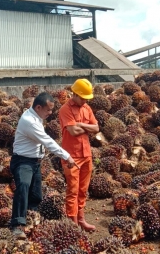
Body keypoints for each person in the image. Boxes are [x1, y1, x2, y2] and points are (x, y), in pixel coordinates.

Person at [10, 92, 77, 239]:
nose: (50, 113)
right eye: (48, 109)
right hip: (23, 162)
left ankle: (31, 220)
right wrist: (66, 156)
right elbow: (48, 141)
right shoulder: (30, 121)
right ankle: (17, 225)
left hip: (34, 162)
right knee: (23, 188)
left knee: (36, 195)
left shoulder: (36, 116)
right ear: (39, 107)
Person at [58, 78, 99, 232]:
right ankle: (72, 223)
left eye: (86, 98)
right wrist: (87, 127)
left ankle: (81, 219)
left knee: (83, 189)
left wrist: (81, 124)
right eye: (82, 98)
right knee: (72, 191)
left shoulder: (87, 108)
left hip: (86, 154)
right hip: (71, 156)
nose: (84, 101)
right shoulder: (65, 109)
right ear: (74, 94)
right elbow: (72, 131)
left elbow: (97, 128)